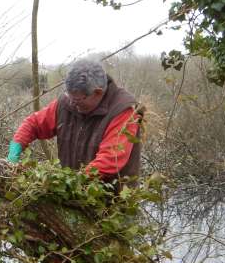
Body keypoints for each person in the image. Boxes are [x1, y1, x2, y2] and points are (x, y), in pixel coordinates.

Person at [7, 59, 142, 184]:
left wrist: (69, 182)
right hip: (72, 193)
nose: (71, 103)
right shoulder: (67, 102)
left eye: (77, 100)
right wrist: (14, 152)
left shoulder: (124, 110)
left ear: (97, 93)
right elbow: (33, 124)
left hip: (111, 201)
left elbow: (110, 160)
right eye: (68, 96)